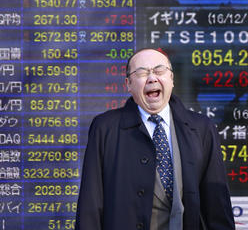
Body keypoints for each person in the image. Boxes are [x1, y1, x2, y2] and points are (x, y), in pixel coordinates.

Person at [76, 48, 235, 230]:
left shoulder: (201, 128)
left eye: (159, 71)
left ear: (172, 79)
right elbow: (90, 206)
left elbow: (217, 206)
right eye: (142, 73)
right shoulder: (105, 128)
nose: (152, 78)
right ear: (128, 84)